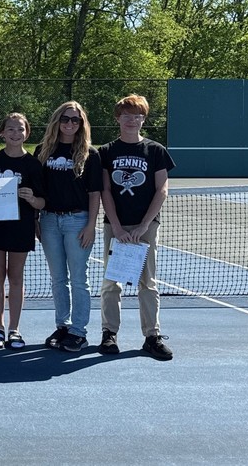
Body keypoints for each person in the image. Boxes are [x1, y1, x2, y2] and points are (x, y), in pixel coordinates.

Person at [98, 94, 176, 360]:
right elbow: (105, 191)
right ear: (118, 118)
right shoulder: (106, 151)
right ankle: (109, 334)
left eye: (137, 115)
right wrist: (118, 228)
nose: (132, 120)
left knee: (148, 283)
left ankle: (151, 336)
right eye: (127, 115)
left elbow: (162, 190)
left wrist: (144, 225)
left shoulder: (155, 150)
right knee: (112, 282)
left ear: (144, 119)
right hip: (116, 227)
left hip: (146, 228)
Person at [34, 101, 103, 353]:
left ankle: (78, 332)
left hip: (77, 221)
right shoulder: (43, 150)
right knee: (58, 279)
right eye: (66, 119)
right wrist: (36, 220)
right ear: (57, 120)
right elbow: (37, 188)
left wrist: (91, 225)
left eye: (76, 120)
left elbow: (95, 193)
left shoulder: (90, 154)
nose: (70, 124)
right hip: (49, 220)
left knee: (78, 279)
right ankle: (62, 325)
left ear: (82, 123)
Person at [0, 113, 45, 349]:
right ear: (2, 132)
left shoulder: (33, 164)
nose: (15, 134)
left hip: (21, 227)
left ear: (27, 133)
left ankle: (14, 329)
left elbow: (42, 203)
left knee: (16, 277)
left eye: (20, 129)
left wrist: (32, 199)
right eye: (10, 129)